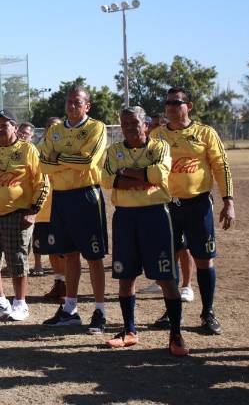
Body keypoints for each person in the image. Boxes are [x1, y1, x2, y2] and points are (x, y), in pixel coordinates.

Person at [101, 106, 189, 355]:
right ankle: (129, 331)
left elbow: (159, 174)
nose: (129, 128)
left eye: (135, 123)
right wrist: (143, 176)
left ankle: (176, 335)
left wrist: (125, 173)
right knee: (126, 277)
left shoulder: (160, 147)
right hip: (125, 218)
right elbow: (105, 180)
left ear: (146, 125)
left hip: (155, 216)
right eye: (125, 124)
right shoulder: (114, 150)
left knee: (166, 278)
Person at [150, 87, 235, 335]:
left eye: (176, 102)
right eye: (168, 102)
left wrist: (228, 201)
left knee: (204, 259)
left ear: (189, 106)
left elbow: (221, 166)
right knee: (169, 259)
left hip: (198, 205)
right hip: (166, 205)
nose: (171, 107)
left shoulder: (205, 133)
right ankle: (172, 312)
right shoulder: (157, 135)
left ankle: (208, 313)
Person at [39, 85, 109, 333]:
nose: (71, 106)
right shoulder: (55, 130)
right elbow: (43, 163)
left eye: (77, 102)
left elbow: (88, 161)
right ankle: (70, 309)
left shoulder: (96, 127)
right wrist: (69, 160)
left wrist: (58, 158)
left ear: (87, 106)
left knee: (94, 257)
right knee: (69, 255)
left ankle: (100, 310)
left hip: (86, 196)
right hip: (61, 197)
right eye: (69, 102)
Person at [0, 110, 48, 322]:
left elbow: (42, 182)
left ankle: (20, 304)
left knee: (16, 262)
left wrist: (33, 211)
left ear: (15, 128)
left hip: (17, 214)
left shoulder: (27, 149)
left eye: (4, 125)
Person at [33, 117, 68, 302]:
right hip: (42, 211)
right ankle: (59, 282)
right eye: (48, 127)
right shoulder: (37, 150)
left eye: (55, 127)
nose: (51, 130)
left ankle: (68, 287)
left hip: (62, 208)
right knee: (51, 251)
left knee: (64, 251)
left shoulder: (67, 150)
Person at [17, 121, 44, 276]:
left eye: (26, 133)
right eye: (20, 131)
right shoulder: (12, 149)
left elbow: (39, 179)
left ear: (31, 137)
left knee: (34, 234)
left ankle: (36, 264)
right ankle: (20, 263)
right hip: (16, 202)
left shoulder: (32, 151)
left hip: (32, 201)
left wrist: (35, 204)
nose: (22, 135)